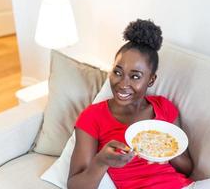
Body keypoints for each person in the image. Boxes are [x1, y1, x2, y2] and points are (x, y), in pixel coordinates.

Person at [67, 19, 194, 189]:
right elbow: (75, 185)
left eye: (135, 76)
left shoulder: (164, 107)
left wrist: (164, 149)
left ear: (151, 80)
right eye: (118, 72)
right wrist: (101, 161)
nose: (122, 83)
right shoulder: (92, 117)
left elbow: (187, 168)